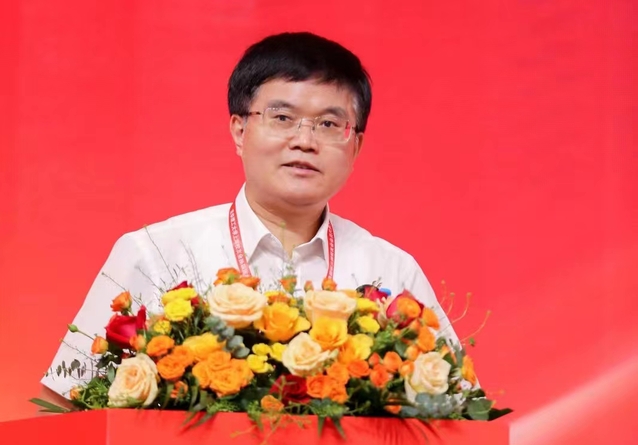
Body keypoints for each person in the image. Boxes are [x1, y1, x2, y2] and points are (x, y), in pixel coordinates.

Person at [41, 32, 461, 402]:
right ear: (239, 131)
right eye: (282, 118)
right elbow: (66, 405)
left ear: (356, 147)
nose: (305, 140)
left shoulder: (392, 271)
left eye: (329, 124)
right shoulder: (155, 254)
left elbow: (460, 413)